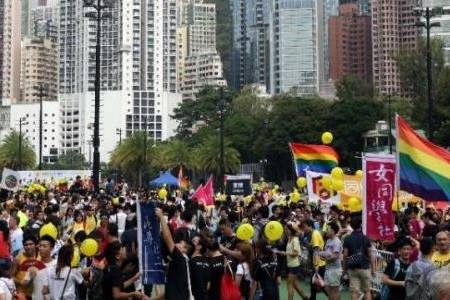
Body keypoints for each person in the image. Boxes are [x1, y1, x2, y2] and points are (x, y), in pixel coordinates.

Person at [155, 207, 193, 300]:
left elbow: (167, 237)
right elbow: (169, 291)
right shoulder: (181, 262)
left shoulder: (180, 258)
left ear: (185, 251)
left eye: (181, 245)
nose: (177, 244)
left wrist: (161, 217)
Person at [342, 216, 375, 300]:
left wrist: (344, 269)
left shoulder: (347, 238)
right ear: (360, 225)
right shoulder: (365, 238)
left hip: (352, 268)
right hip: (365, 267)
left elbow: (345, 255)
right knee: (367, 291)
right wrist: (373, 269)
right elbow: (370, 254)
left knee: (354, 291)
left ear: (352, 226)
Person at [279, 224, 309, 300]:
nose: (285, 231)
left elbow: (296, 254)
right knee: (295, 285)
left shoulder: (295, 240)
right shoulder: (289, 238)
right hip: (290, 265)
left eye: (286, 229)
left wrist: (285, 253)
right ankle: (305, 298)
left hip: (294, 266)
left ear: (290, 230)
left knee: (289, 284)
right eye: (285, 229)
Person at [320, 222, 342, 300]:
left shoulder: (337, 241)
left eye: (328, 229)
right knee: (327, 288)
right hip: (328, 268)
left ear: (333, 231)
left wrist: (324, 257)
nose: (326, 231)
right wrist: (321, 254)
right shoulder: (329, 240)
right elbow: (327, 253)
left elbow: (335, 256)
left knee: (334, 290)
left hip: (335, 270)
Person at [30, 235, 56, 300]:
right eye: (40, 246)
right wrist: (30, 278)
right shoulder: (34, 265)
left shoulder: (57, 265)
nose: (41, 248)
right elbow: (27, 285)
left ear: (52, 248)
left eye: (44, 246)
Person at [12, 233, 38, 298]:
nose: (28, 247)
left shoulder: (40, 257)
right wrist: (20, 282)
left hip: (36, 294)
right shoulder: (18, 258)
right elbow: (11, 276)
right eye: (26, 245)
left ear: (35, 245)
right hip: (22, 294)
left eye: (31, 244)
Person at [189, 234, 210, 300]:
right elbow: (208, 285)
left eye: (194, 241)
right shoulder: (208, 261)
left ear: (199, 246)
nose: (191, 243)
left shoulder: (191, 262)